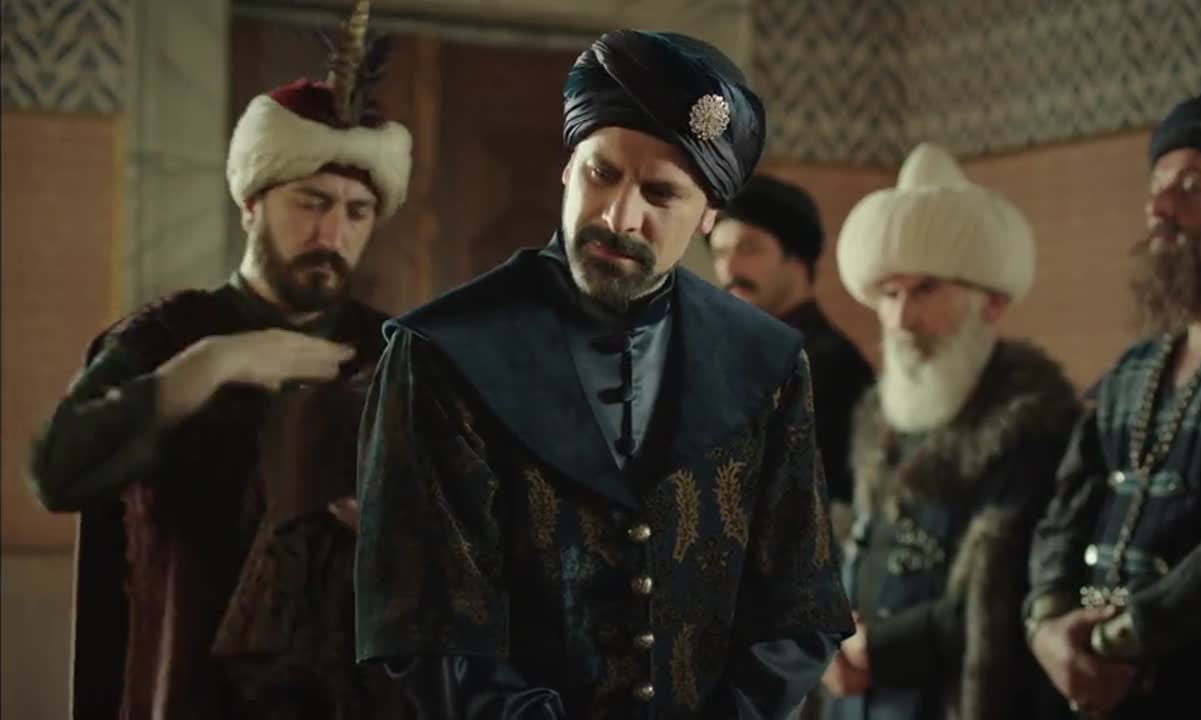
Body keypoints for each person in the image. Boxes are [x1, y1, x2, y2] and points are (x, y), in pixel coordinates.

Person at [353, 28, 852, 720]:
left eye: (660, 193)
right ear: (568, 169)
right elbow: (425, 623)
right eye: (602, 174)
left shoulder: (766, 361)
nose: (620, 217)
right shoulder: (443, 353)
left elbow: (800, 608)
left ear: (708, 216)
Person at [27, 2, 413, 716]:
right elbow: (57, 470)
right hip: (185, 689)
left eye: (356, 212)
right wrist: (210, 367)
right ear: (251, 205)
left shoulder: (398, 357)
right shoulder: (163, 339)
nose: (332, 233)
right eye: (311, 203)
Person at [1024, 93, 1201, 719]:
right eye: (1157, 186)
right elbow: (1065, 515)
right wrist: (1049, 625)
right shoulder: (1132, 370)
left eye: (1192, 187)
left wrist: (1120, 638)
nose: (1160, 207)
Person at [821, 143, 1081, 720]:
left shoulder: (1032, 426)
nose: (901, 319)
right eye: (890, 295)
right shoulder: (878, 419)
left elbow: (1009, 599)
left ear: (992, 305)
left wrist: (878, 649)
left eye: (925, 291)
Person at [708, 174, 875, 534]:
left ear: (796, 258)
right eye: (720, 253)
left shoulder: (828, 365)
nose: (729, 269)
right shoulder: (732, 354)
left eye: (748, 248)